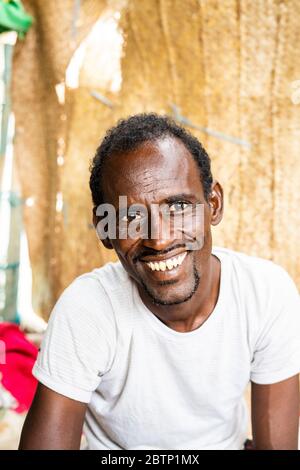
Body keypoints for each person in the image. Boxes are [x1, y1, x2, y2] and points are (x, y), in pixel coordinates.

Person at [19, 114, 300, 450]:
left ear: (213, 205)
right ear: (105, 230)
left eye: (179, 206)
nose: (159, 238)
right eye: (129, 217)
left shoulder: (265, 293)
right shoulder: (87, 310)